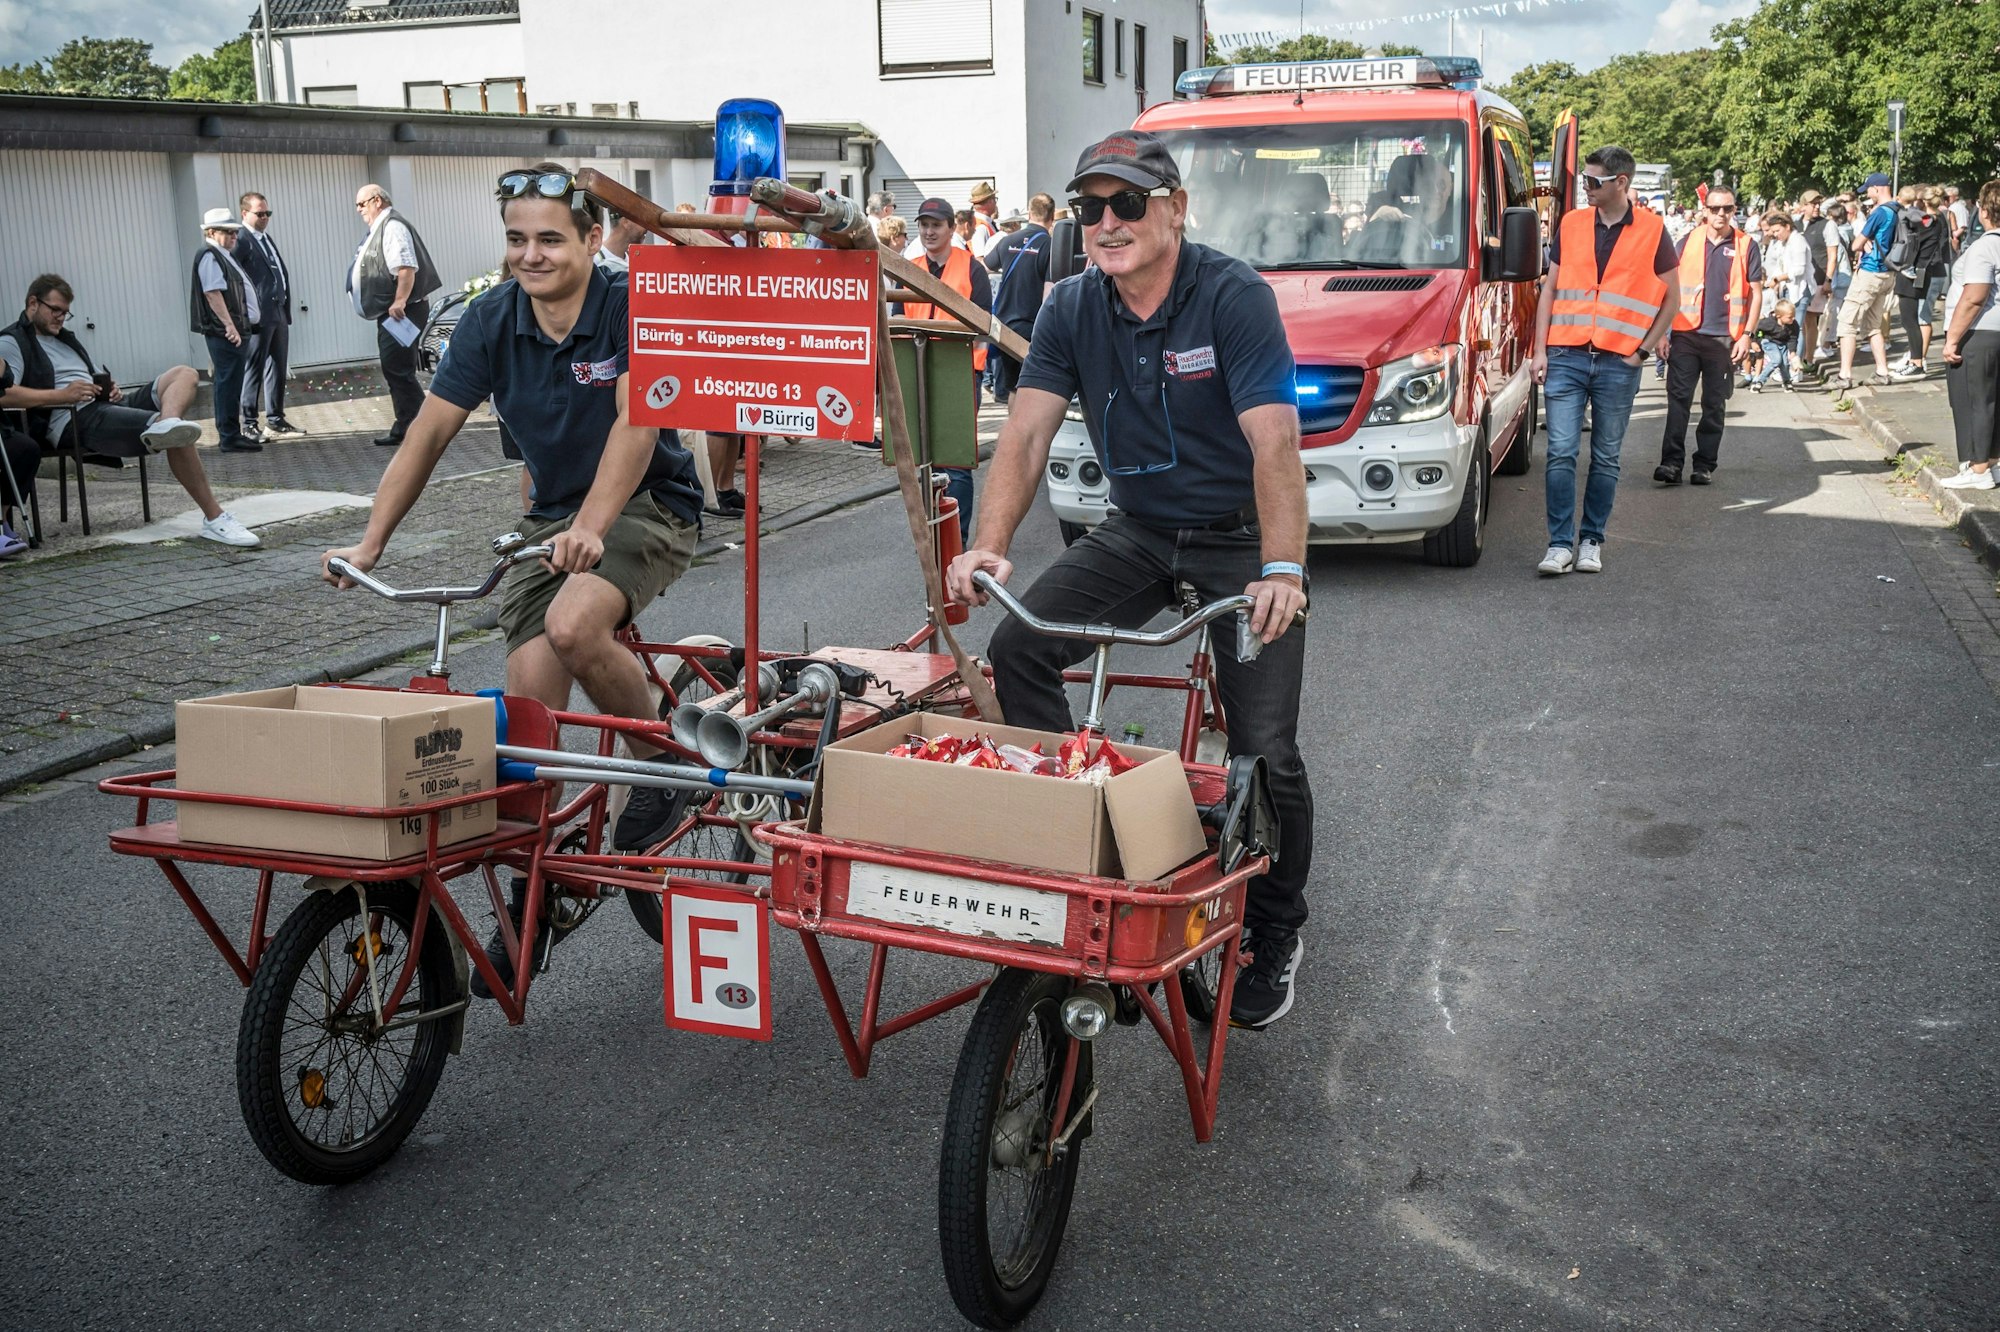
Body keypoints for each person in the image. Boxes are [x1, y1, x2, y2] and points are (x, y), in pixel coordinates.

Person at [944, 131, 1313, 1029]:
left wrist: (1281, 569)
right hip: (1140, 532)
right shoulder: (1072, 306)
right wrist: (991, 544)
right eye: (1090, 209)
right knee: (1020, 646)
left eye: (1128, 204)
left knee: (1266, 749)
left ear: (1174, 208)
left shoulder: (1233, 297)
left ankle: (1276, 925)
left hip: (1237, 541)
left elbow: (1276, 444)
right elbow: (1025, 435)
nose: (1108, 224)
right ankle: (1085, 839)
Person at [322, 163, 705, 990]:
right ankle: (541, 888)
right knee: (525, 730)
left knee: (574, 626)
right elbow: (426, 433)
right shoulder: (491, 319)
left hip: (647, 507)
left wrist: (594, 531)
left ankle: (666, 764)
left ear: (592, 241)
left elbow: (639, 428)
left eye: (550, 239)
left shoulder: (629, 305)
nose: (531, 255)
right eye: (517, 239)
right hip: (552, 523)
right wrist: (370, 545)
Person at [0, 274, 260, 547]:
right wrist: (62, 395)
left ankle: (166, 424)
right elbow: (5, 395)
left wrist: (106, 387)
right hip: (73, 419)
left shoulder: (65, 339)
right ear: (32, 303)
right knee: (180, 436)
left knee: (183, 373)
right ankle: (215, 519)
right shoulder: (13, 342)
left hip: (102, 405)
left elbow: (82, 377)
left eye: (66, 313)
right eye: (55, 310)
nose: (61, 318)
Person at [1532, 145, 1681, 573]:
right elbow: (1550, 290)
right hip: (1566, 354)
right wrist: (1539, 350)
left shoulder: (1653, 231)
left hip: (1619, 361)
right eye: (1585, 180)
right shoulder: (1572, 223)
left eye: (1594, 182)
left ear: (1622, 183)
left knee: (1606, 456)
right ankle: (1560, 544)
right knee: (1560, 451)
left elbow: (1672, 299)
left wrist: (1643, 351)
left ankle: (1591, 540)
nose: (1586, 188)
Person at [897, 196, 992, 537]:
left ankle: (956, 541)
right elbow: (896, 319)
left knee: (955, 463)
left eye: (936, 225)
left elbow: (985, 324)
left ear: (952, 228)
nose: (929, 231)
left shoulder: (972, 268)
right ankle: (930, 539)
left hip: (959, 375)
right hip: (918, 373)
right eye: (923, 225)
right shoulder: (910, 268)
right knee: (923, 464)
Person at [1654, 186, 1761, 486]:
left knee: (1714, 404)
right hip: (1686, 334)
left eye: (1727, 208)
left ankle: (1704, 465)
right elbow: (1667, 288)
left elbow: (1756, 293)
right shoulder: (1687, 242)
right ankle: (1671, 463)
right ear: (1704, 210)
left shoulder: (1746, 245)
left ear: (1734, 209)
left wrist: (1747, 336)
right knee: (1678, 402)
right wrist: (1662, 333)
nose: (1721, 214)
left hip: (1723, 339)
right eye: (1714, 208)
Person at [346, 183, 441, 447]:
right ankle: (408, 424)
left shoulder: (393, 227)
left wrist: (399, 301)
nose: (358, 210)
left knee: (398, 369)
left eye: (361, 204)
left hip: (402, 311)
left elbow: (406, 267)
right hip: (396, 311)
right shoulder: (382, 227)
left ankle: (419, 428)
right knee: (396, 368)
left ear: (377, 200)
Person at [1939, 180, 2000, 490]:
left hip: (1979, 331)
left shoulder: (1985, 245)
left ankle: (1977, 470)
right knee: (1992, 401)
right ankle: (1990, 462)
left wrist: (1952, 338)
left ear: (1984, 210)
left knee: (1972, 401)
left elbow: (1974, 296)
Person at [190, 207, 263, 455]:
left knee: (231, 382)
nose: (234, 237)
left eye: (235, 232)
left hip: (234, 329)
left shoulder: (221, 253)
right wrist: (229, 325)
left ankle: (232, 433)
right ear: (211, 232)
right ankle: (229, 436)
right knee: (228, 383)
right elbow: (212, 292)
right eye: (228, 232)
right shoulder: (210, 255)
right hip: (226, 332)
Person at [234, 192, 299, 441]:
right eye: (259, 214)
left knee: (277, 367)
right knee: (254, 368)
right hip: (259, 316)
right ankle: (248, 423)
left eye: (267, 213)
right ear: (244, 214)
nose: (264, 218)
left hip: (278, 311)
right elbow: (235, 277)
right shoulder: (241, 239)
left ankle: (275, 418)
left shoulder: (265, 238)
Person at [983, 192, 1055, 405]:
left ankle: (1014, 431)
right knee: (1035, 386)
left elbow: (986, 265)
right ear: (1051, 217)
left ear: (1029, 213)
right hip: (1033, 326)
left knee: (1013, 387)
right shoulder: (1050, 246)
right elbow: (1049, 292)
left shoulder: (1007, 241)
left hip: (1005, 324)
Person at [1836, 172, 1901, 391]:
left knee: (1847, 322)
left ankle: (1845, 374)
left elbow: (1856, 244)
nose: (1869, 194)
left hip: (1870, 272)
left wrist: (1863, 242)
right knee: (1873, 325)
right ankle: (1882, 370)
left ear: (1877, 188)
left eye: (1869, 190)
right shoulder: (1899, 209)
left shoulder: (1879, 212)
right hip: (1889, 272)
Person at [1892, 186, 1951, 376]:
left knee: (1915, 318)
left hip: (1920, 271)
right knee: (1914, 317)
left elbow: (1914, 244)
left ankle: (1917, 361)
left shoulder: (1928, 222)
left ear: (1924, 202)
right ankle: (1914, 358)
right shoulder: (1937, 220)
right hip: (1923, 271)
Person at [1750, 300, 1800, 391]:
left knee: (1785, 363)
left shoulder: (1793, 325)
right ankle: (1760, 381)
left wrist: (1792, 352)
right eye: (1790, 317)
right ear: (1778, 316)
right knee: (1776, 360)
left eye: (1794, 316)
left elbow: (1793, 338)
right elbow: (1758, 331)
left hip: (1783, 343)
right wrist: (1755, 341)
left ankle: (1787, 382)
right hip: (1769, 341)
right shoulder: (1768, 323)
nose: (1793, 319)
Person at [592, 210, 649, 274]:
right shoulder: (594, 260)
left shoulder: (634, 262)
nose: (647, 228)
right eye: (641, 221)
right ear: (626, 222)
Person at [968, 179, 1001, 254]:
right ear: (990, 201)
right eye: (994, 199)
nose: (996, 202)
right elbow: (980, 259)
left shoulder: (982, 223)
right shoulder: (980, 227)